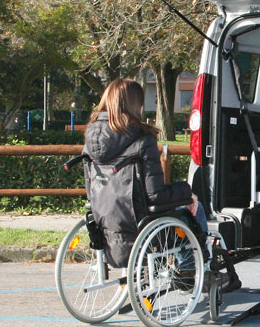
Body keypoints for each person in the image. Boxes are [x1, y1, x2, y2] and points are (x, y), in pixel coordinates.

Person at [84, 79, 207, 268]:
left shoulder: (91, 140)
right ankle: (189, 272)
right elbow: (155, 194)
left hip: (105, 217)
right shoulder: (142, 138)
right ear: (136, 105)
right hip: (141, 222)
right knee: (196, 210)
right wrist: (187, 192)